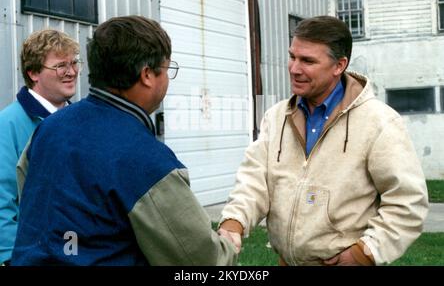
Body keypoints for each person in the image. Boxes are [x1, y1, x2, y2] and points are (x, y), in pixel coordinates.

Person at [11, 15, 238, 266]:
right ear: (147, 75)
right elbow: (201, 261)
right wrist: (227, 243)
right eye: (167, 68)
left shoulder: (47, 130)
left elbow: (29, 200)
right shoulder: (147, 162)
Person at [218, 16, 429, 266]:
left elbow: (408, 202)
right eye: (292, 56)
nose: (294, 68)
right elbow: (254, 181)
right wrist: (234, 221)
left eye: (307, 61)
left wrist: (365, 253)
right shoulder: (276, 118)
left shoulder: (379, 122)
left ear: (339, 65)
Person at [0, 29, 80, 266]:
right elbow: (2, 199)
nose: (71, 72)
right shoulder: (8, 124)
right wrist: (9, 257)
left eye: (74, 63)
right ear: (33, 73)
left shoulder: (79, 120)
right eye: (60, 66)